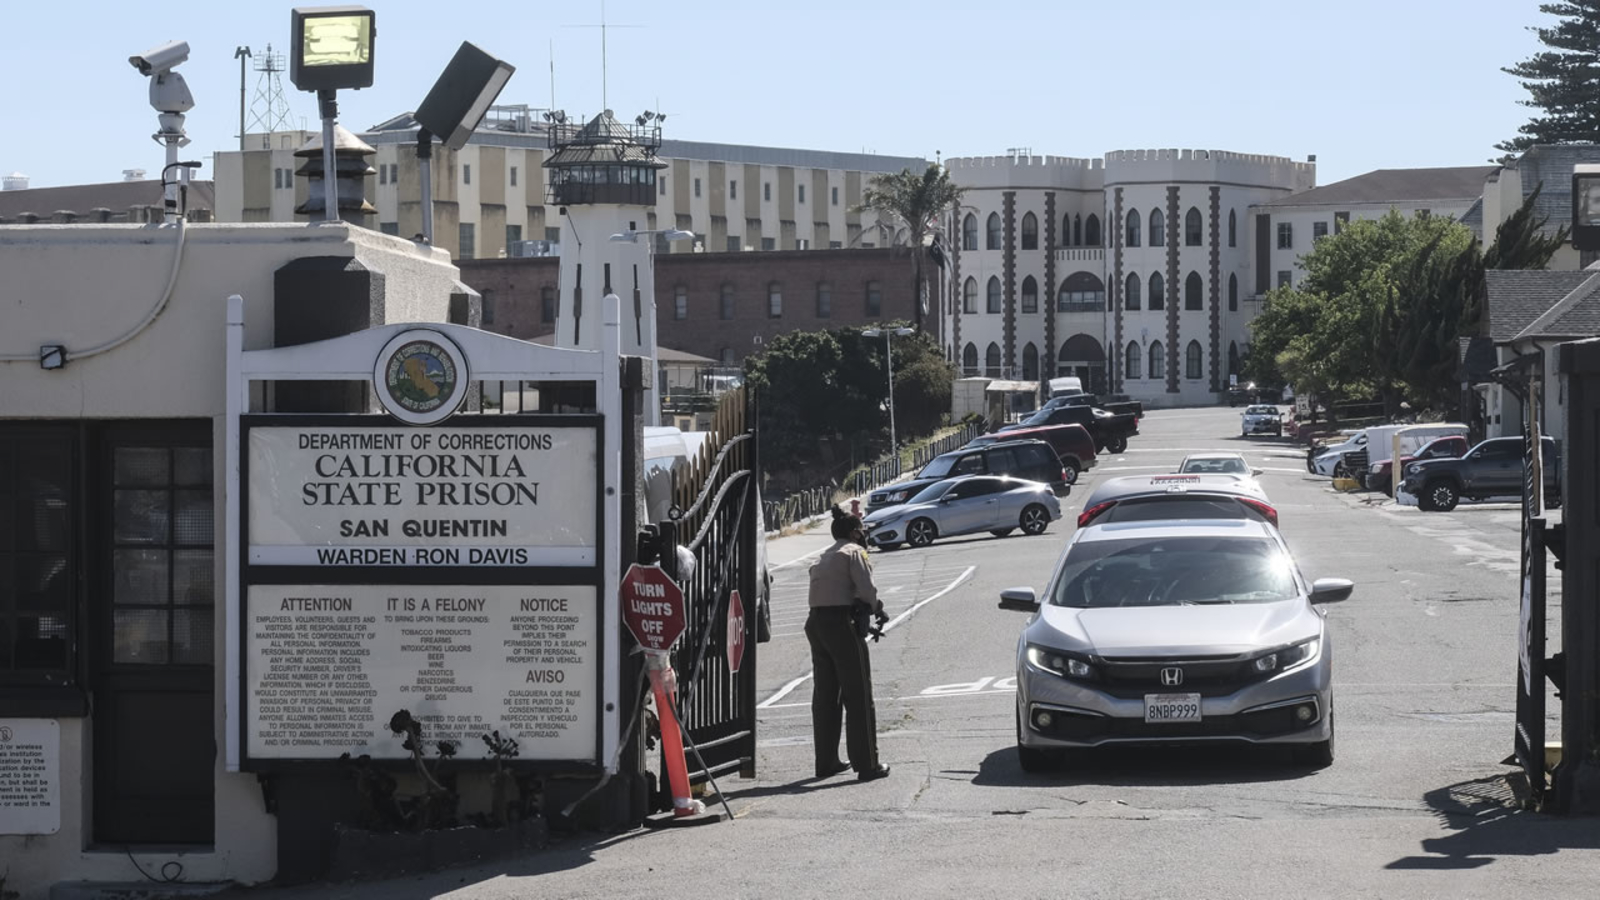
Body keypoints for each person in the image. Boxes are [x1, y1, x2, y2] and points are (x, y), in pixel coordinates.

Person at [804, 507, 891, 782]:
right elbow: (866, 589)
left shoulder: (823, 556)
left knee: (826, 696)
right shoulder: (855, 552)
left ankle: (826, 762)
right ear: (854, 532)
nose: (864, 535)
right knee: (858, 694)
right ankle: (867, 764)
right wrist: (877, 607)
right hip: (841, 624)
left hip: (816, 624)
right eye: (862, 531)